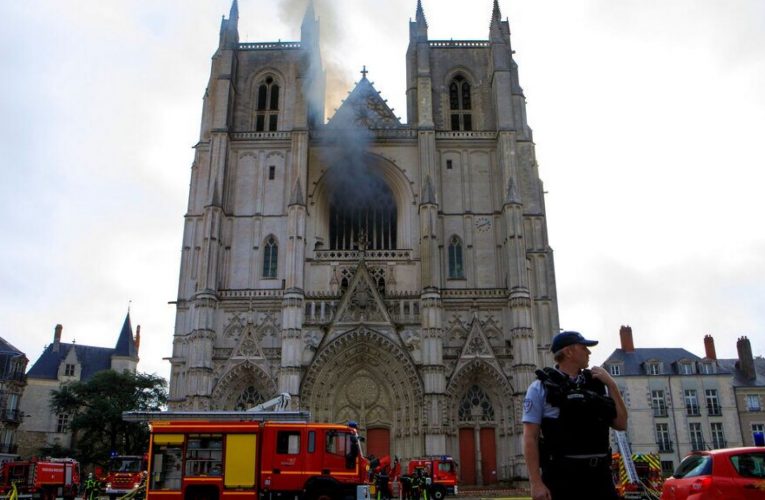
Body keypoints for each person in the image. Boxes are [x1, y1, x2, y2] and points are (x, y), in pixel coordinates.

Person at [522, 331, 627, 500]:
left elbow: (621, 424)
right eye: (584, 347)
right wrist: (536, 483)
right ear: (569, 352)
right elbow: (530, 437)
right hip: (563, 477)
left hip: (599, 478)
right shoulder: (540, 388)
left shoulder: (598, 384)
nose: (589, 352)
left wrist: (612, 385)